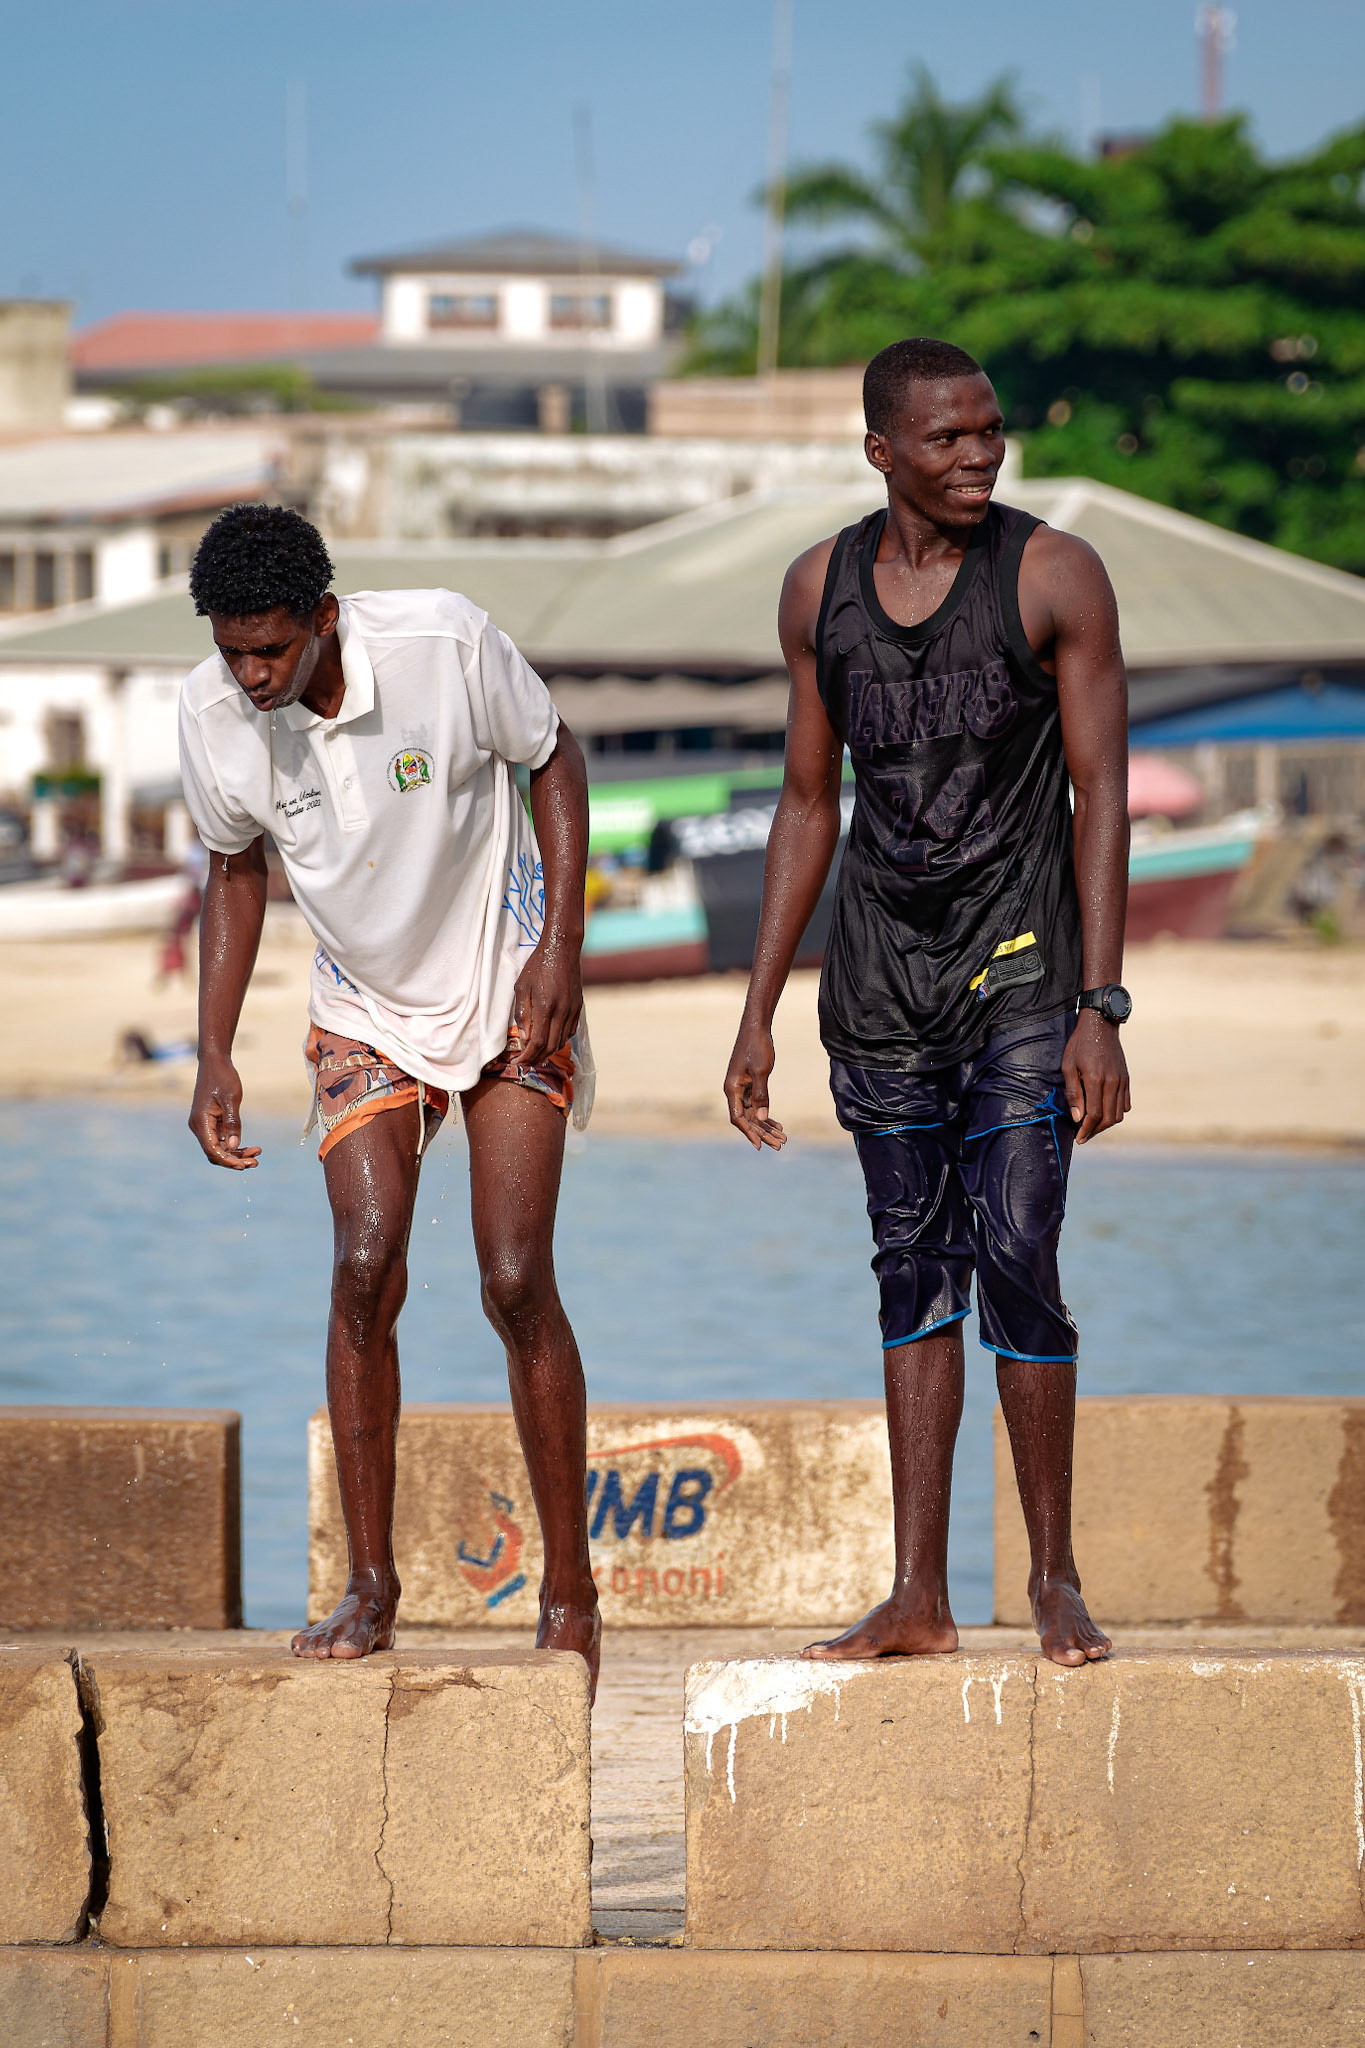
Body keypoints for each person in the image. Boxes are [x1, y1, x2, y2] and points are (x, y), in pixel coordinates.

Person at [724, 338, 1131, 1669]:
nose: (977, 456)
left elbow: (1100, 793)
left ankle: (1055, 1578)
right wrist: (756, 1011)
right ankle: (917, 1592)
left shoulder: (1053, 574)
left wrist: (1100, 1004)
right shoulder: (817, 591)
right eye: (947, 439)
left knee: (1018, 1249)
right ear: (881, 451)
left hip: (1021, 971)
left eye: (989, 431)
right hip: (879, 986)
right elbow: (803, 802)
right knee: (913, 1266)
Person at [178, 504, 599, 1690]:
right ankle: (371, 1585)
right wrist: (214, 1049)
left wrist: (560, 945)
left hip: (507, 968)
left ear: (322, 618)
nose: (252, 675)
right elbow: (235, 868)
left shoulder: (444, 644)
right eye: (231, 651)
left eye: (271, 648)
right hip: (363, 1004)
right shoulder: (213, 715)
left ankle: (568, 1586)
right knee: (365, 1259)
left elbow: (553, 754)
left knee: (515, 1275)